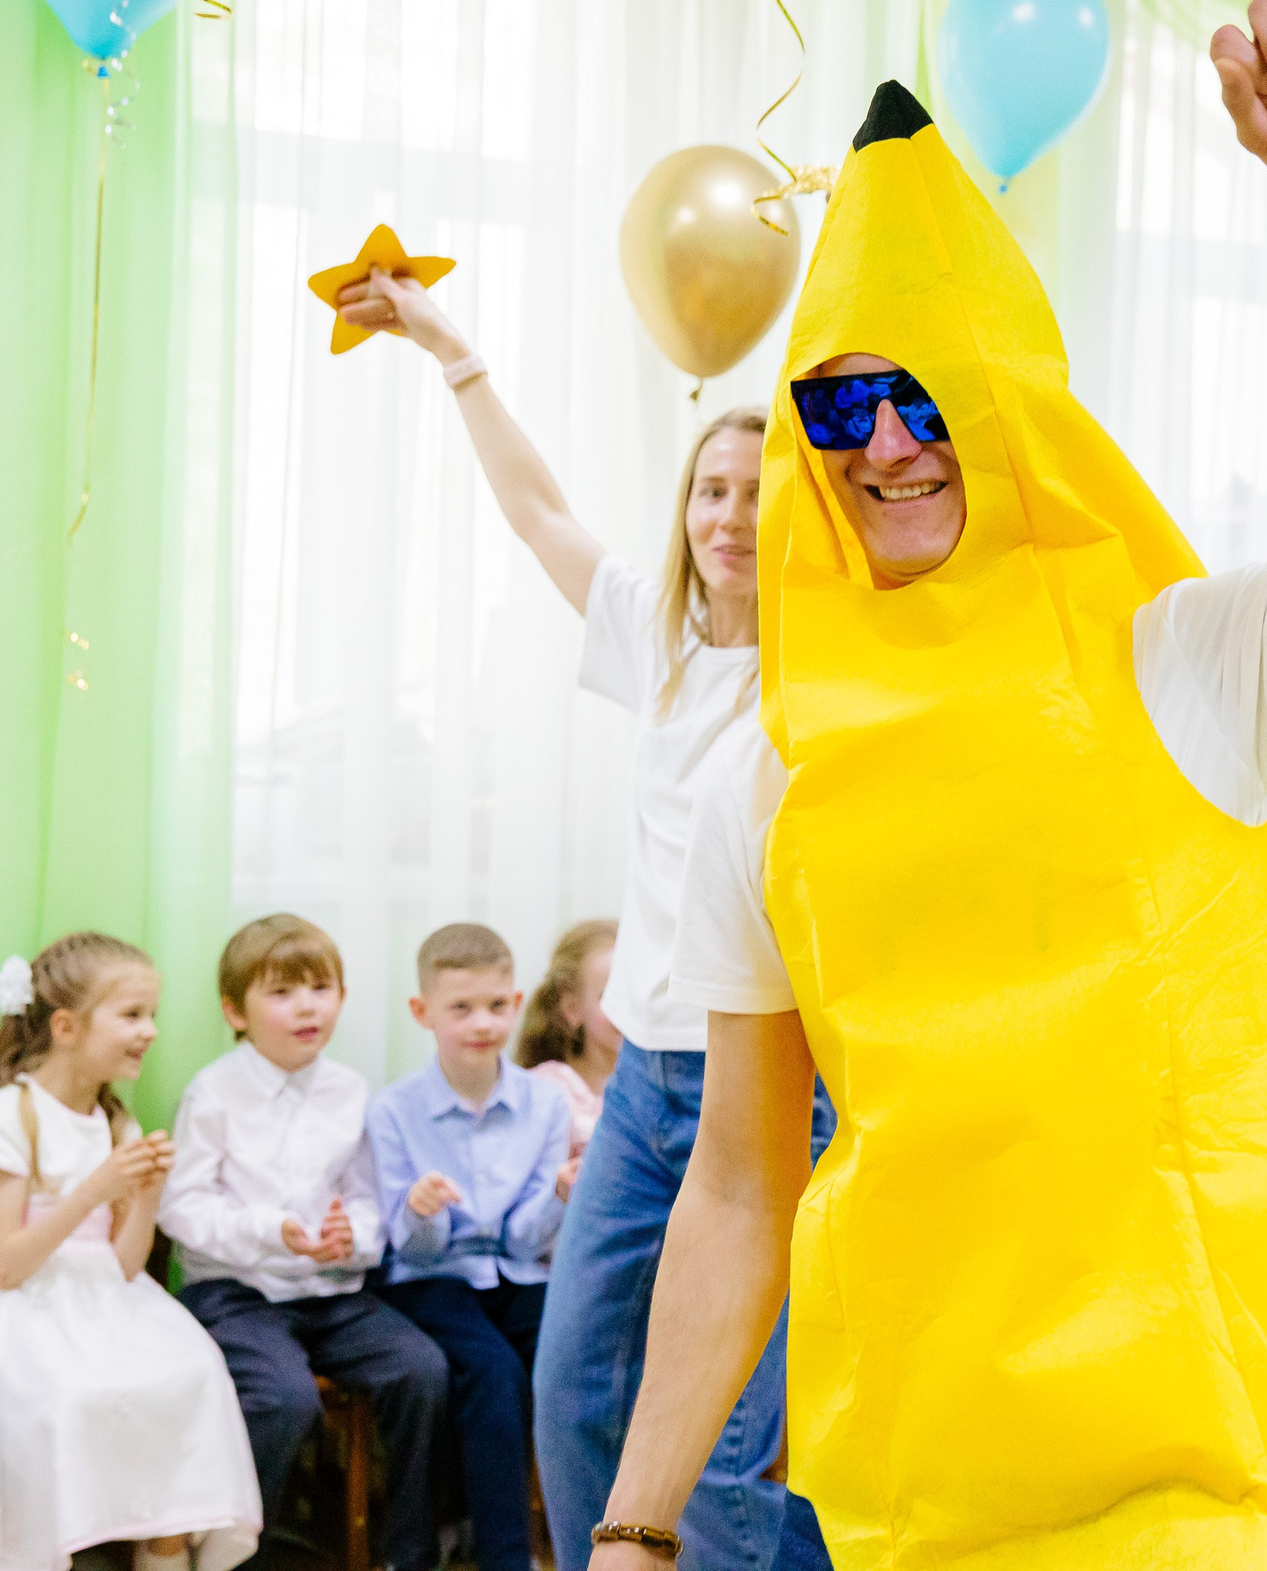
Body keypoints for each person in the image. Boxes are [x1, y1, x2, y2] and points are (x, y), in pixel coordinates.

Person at [589, 0, 1267, 1571]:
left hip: (1205, 1444)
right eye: (837, 403)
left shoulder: (1176, 660)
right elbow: (740, 1187)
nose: (884, 443)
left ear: (1006, 406)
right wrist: (633, 1522)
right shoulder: (771, 783)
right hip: (937, 1454)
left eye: (924, 393)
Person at [336, 239, 835, 1571]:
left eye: (758, 494)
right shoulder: (657, 643)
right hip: (648, 1082)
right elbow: (539, 508)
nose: (729, 516)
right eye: (709, 492)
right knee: (578, 1389)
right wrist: (454, 351)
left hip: (777, 1085)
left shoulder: (829, 676)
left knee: (725, 1437)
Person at [0, 933, 262, 1571]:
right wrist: (97, 1188)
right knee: (64, 1395)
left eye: (152, 1015)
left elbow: (121, 1268)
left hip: (94, 1295)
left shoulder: (116, 1121)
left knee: (191, 1374)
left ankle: (164, 1548)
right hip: (10, 1301)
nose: (150, 1031)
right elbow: (6, 1265)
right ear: (65, 1026)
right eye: (133, 1015)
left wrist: (144, 1195)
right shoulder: (9, 1116)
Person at [159, 915, 450, 1571]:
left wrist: (355, 1235)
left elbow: (370, 1197)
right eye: (282, 992)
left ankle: (408, 1554)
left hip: (332, 1292)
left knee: (423, 1370)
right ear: (235, 1010)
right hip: (236, 1292)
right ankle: (238, 1553)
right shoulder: (213, 1091)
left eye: (320, 988)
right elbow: (182, 1206)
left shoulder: (349, 1090)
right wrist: (272, 1230)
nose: (306, 1006)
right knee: (283, 1397)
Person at [368, 923, 572, 1571]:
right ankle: (506, 1557)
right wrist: (421, 1211)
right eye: (461, 1007)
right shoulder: (394, 1109)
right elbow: (411, 1246)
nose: (482, 1022)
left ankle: (595, 1539)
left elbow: (524, 1240)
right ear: (422, 1013)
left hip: (516, 1270)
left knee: (577, 1358)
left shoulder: (545, 1103)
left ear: (515, 1002)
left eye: (495, 1004)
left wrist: (560, 1194)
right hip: (433, 1277)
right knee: (494, 1372)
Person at [514, 918, 620, 1183]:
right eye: (612, 997)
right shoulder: (547, 1092)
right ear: (572, 1008)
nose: (630, 1013)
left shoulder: (658, 1087)